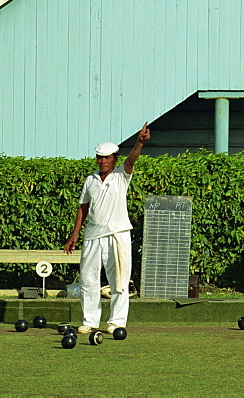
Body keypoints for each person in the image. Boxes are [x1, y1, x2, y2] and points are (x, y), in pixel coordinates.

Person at [65, 122, 150, 334]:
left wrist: (139, 142)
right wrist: (74, 235)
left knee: (119, 279)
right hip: (93, 236)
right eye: (100, 157)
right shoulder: (90, 180)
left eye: (107, 157)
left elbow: (132, 159)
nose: (103, 161)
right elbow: (83, 208)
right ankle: (90, 321)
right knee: (88, 279)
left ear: (115, 159)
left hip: (117, 234)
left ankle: (116, 322)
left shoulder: (122, 175)